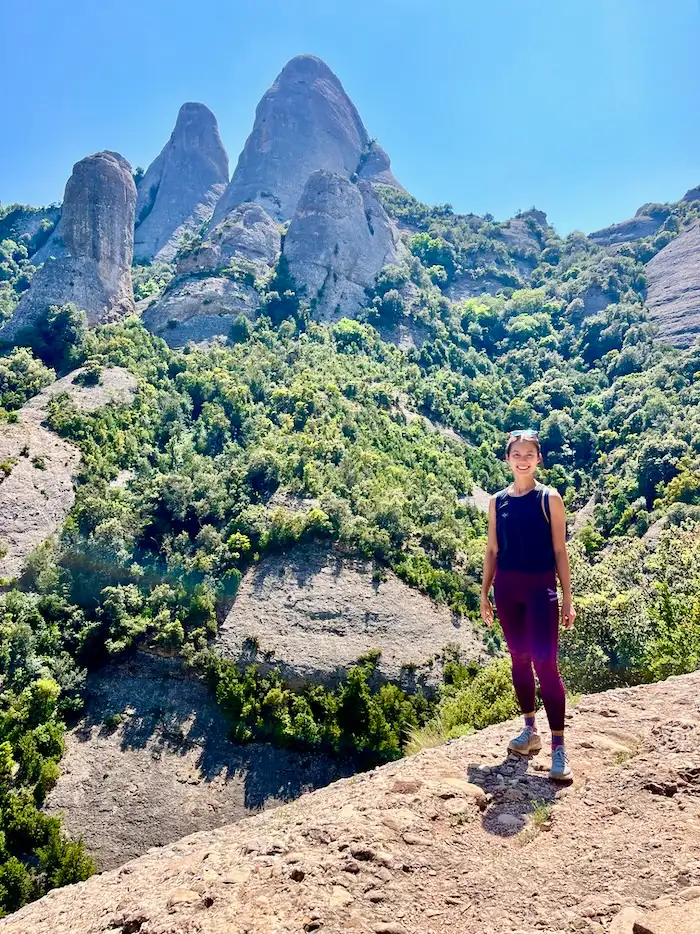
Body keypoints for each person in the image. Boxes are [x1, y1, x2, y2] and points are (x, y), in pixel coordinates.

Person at [480, 429, 576, 781]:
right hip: (507, 588)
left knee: (546, 664)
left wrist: (568, 598)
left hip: (540, 589)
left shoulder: (548, 498)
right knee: (518, 659)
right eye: (516, 454)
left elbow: (559, 551)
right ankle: (529, 730)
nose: (522, 459)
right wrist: (485, 592)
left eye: (528, 454)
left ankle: (559, 748)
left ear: (538, 459)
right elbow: (492, 549)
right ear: (507, 459)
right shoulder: (497, 501)